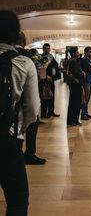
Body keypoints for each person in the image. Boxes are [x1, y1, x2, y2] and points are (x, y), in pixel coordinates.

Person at [0, 10, 40, 215]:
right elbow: (33, 108)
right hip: (7, 139)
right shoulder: (24, 63)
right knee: (17, 200)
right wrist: (22, 128)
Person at [15, 32, 46, 165]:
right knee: (30, 126)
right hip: (22, 101)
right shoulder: (27, 58)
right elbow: (32, 104)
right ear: (23, 42)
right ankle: (29, 153)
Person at [41, 43, 61, 118]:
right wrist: (46, 77)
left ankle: (51, 111)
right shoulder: (41, 57)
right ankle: (43, 113)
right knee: (45, 97)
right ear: (43, 49)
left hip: (52, 80)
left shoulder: (51, 57)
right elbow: (40, 69)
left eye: (48, 48)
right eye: (45, 48)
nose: (47, 50)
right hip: (44, 80)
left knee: (52, 96)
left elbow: (55, 64)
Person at [66, 47, 85, 126]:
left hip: (73, 84)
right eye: (77, 52)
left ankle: (72, 120)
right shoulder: (74, 62)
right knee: (76, 103)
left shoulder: (72, 61)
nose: (78, 54)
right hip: (75, 84)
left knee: (73, 102)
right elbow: (76, 73)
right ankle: (74, 120)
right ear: (73, 54)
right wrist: (82, 74)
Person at [81, 47, 91, 120]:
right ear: (86, 52)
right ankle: (83, 114)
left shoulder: (89, 60)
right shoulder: (85, 60)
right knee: (85, 98)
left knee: (88, 98)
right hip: (86, 81)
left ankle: (86, 112)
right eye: (89, 52)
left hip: (89, 80)